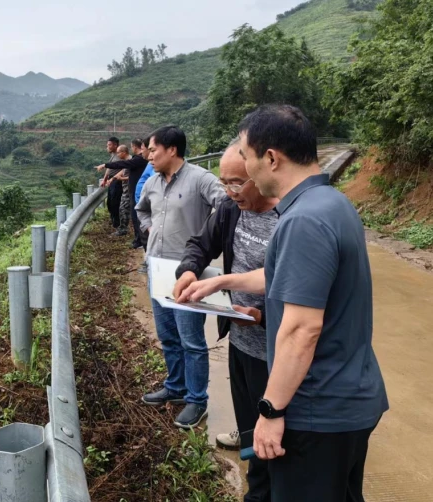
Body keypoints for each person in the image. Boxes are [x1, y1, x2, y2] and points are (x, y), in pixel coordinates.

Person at [177, 105, 388, 502]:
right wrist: (222, 280)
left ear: (271, 158)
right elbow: (286, 275)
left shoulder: (301, 221)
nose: (245, 167)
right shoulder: (331, 203)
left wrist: (271, 411)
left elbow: (301, 330)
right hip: (349, 399)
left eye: (246, 156)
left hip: (316, 409)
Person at [173, 139, 278, 502]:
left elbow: (305, 295)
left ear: (261, 172)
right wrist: (189, 270)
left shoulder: (291, 218)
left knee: (276, 437)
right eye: (225, 182)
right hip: (240, 341)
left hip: (277, 352)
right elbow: (200, 244)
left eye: (238, 182)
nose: (231, 192)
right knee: (250, 423)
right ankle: (251, 455)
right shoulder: (232, 210)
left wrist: (262, 317)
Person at [135, 125, 224, 428]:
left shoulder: (200, 179)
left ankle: (197, 400)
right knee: (168, 335)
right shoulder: (152, 182)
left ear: (172, 150)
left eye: (153, 150)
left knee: (191, 340)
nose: (148, 156)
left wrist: (208, 239)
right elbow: (141, 210)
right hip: (156, 269)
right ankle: (175, 387)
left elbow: (226, 207)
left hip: (187, 273)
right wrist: (149, 229)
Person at [100, 139, 149, 240]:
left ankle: (137, 238)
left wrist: (105, 165)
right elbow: (123, 169)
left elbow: (122, 166)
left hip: (134, 191)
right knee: (130, 212)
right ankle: (137, 238)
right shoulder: (135, 160)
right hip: (131, 190)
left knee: (132, 213)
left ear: (134, 147)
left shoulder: (137, 160)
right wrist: (112, 178)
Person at [95, 137, 122, 230]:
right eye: (107, 145)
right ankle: (115, 223)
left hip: (117, 182)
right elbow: (109, 168)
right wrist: (105, 179)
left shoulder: (120, 155)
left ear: (115, 145)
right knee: (110, 203)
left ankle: (118, 225)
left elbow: (124, 169)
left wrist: (113, 178)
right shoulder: (113, 155)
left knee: (115, 204)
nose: (108, 147)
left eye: (109, 145)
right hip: (111, 181)